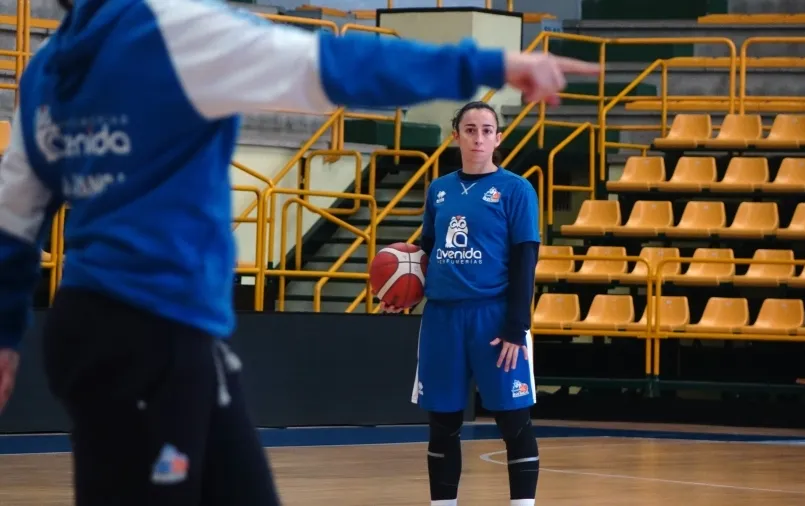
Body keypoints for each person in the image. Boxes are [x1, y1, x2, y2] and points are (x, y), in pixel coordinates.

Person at [0, 0, 599, 504]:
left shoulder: (47, 67)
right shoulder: (174, 30)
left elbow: (13, 218)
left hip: (134, 331)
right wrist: (492, 61)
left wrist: (5, 333)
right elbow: (336, 63)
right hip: (146, 332)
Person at [384, 101, 541, 506]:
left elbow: (526, 263)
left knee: (513, 419)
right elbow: (427, 251)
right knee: (443, 421)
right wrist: (398, 291)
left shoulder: (517, 190)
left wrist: (515, 327)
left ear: (498, 138)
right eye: (470, 129)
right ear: (456, 135)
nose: (478, 137)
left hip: (494, 318)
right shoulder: (440, 190)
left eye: (487, 130)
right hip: (442, 318)